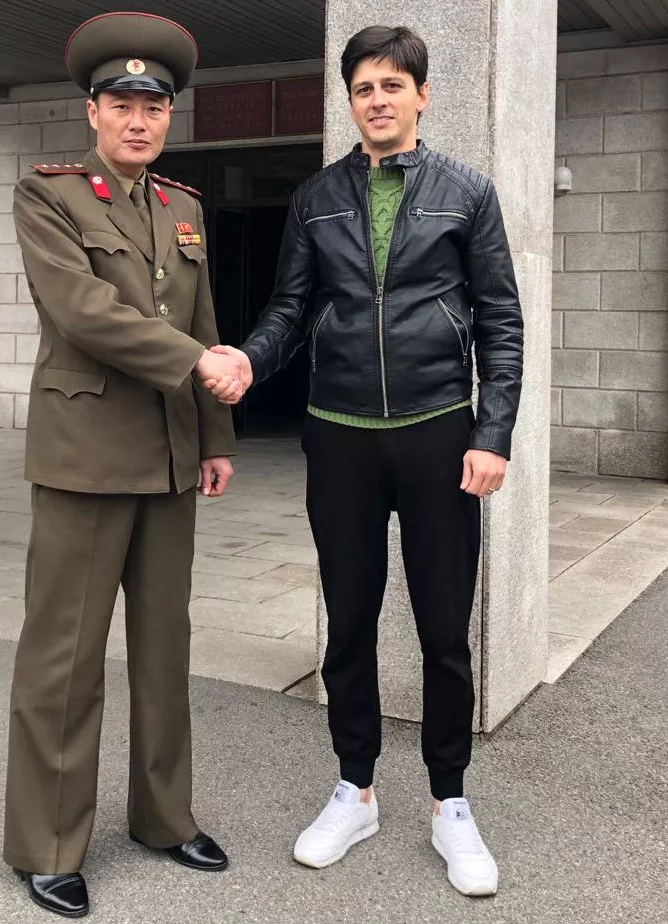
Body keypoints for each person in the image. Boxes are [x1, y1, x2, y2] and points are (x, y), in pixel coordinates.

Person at [204, 25, 523, 898]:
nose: (376, 99)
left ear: (422, 94)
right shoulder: (316, 197)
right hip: (337, 433)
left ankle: (451, 803)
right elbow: (291, 309)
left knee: (443, 633)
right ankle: (356, 788)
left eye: (392, 84)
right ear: (348, 101)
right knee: (348, 624)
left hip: (437, 432)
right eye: (362, 88)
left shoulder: (468, 193)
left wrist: (491, 433)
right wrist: (248, 360)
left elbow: (500, 319)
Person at [3, 11, 248, 918]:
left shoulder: (182, 208)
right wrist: (196, 365)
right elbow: (83, 314)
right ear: (93, 111)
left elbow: (204, 322)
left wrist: (215, 440)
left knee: (164, 649)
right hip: (83, 457)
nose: (139, 118)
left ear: (169, 116)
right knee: (63, 661)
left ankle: (163, 816)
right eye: (122, 102)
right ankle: (48, 843)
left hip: (171, 460)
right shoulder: (50, 196)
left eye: (155, 104)